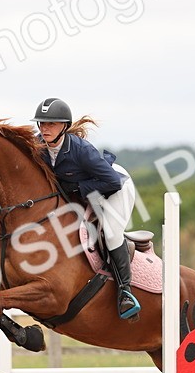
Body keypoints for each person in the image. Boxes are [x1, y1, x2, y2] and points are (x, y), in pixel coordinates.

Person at [33, 97, 141, 319]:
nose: (45, 129)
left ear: (64, 126)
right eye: (42, 124)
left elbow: (112, 181)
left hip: (115, 188)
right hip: (87, 192)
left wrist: (77, 187)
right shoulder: (38, 147)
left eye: (51, 124)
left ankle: (125, 292)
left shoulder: (81, 151)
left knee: (110, 233)